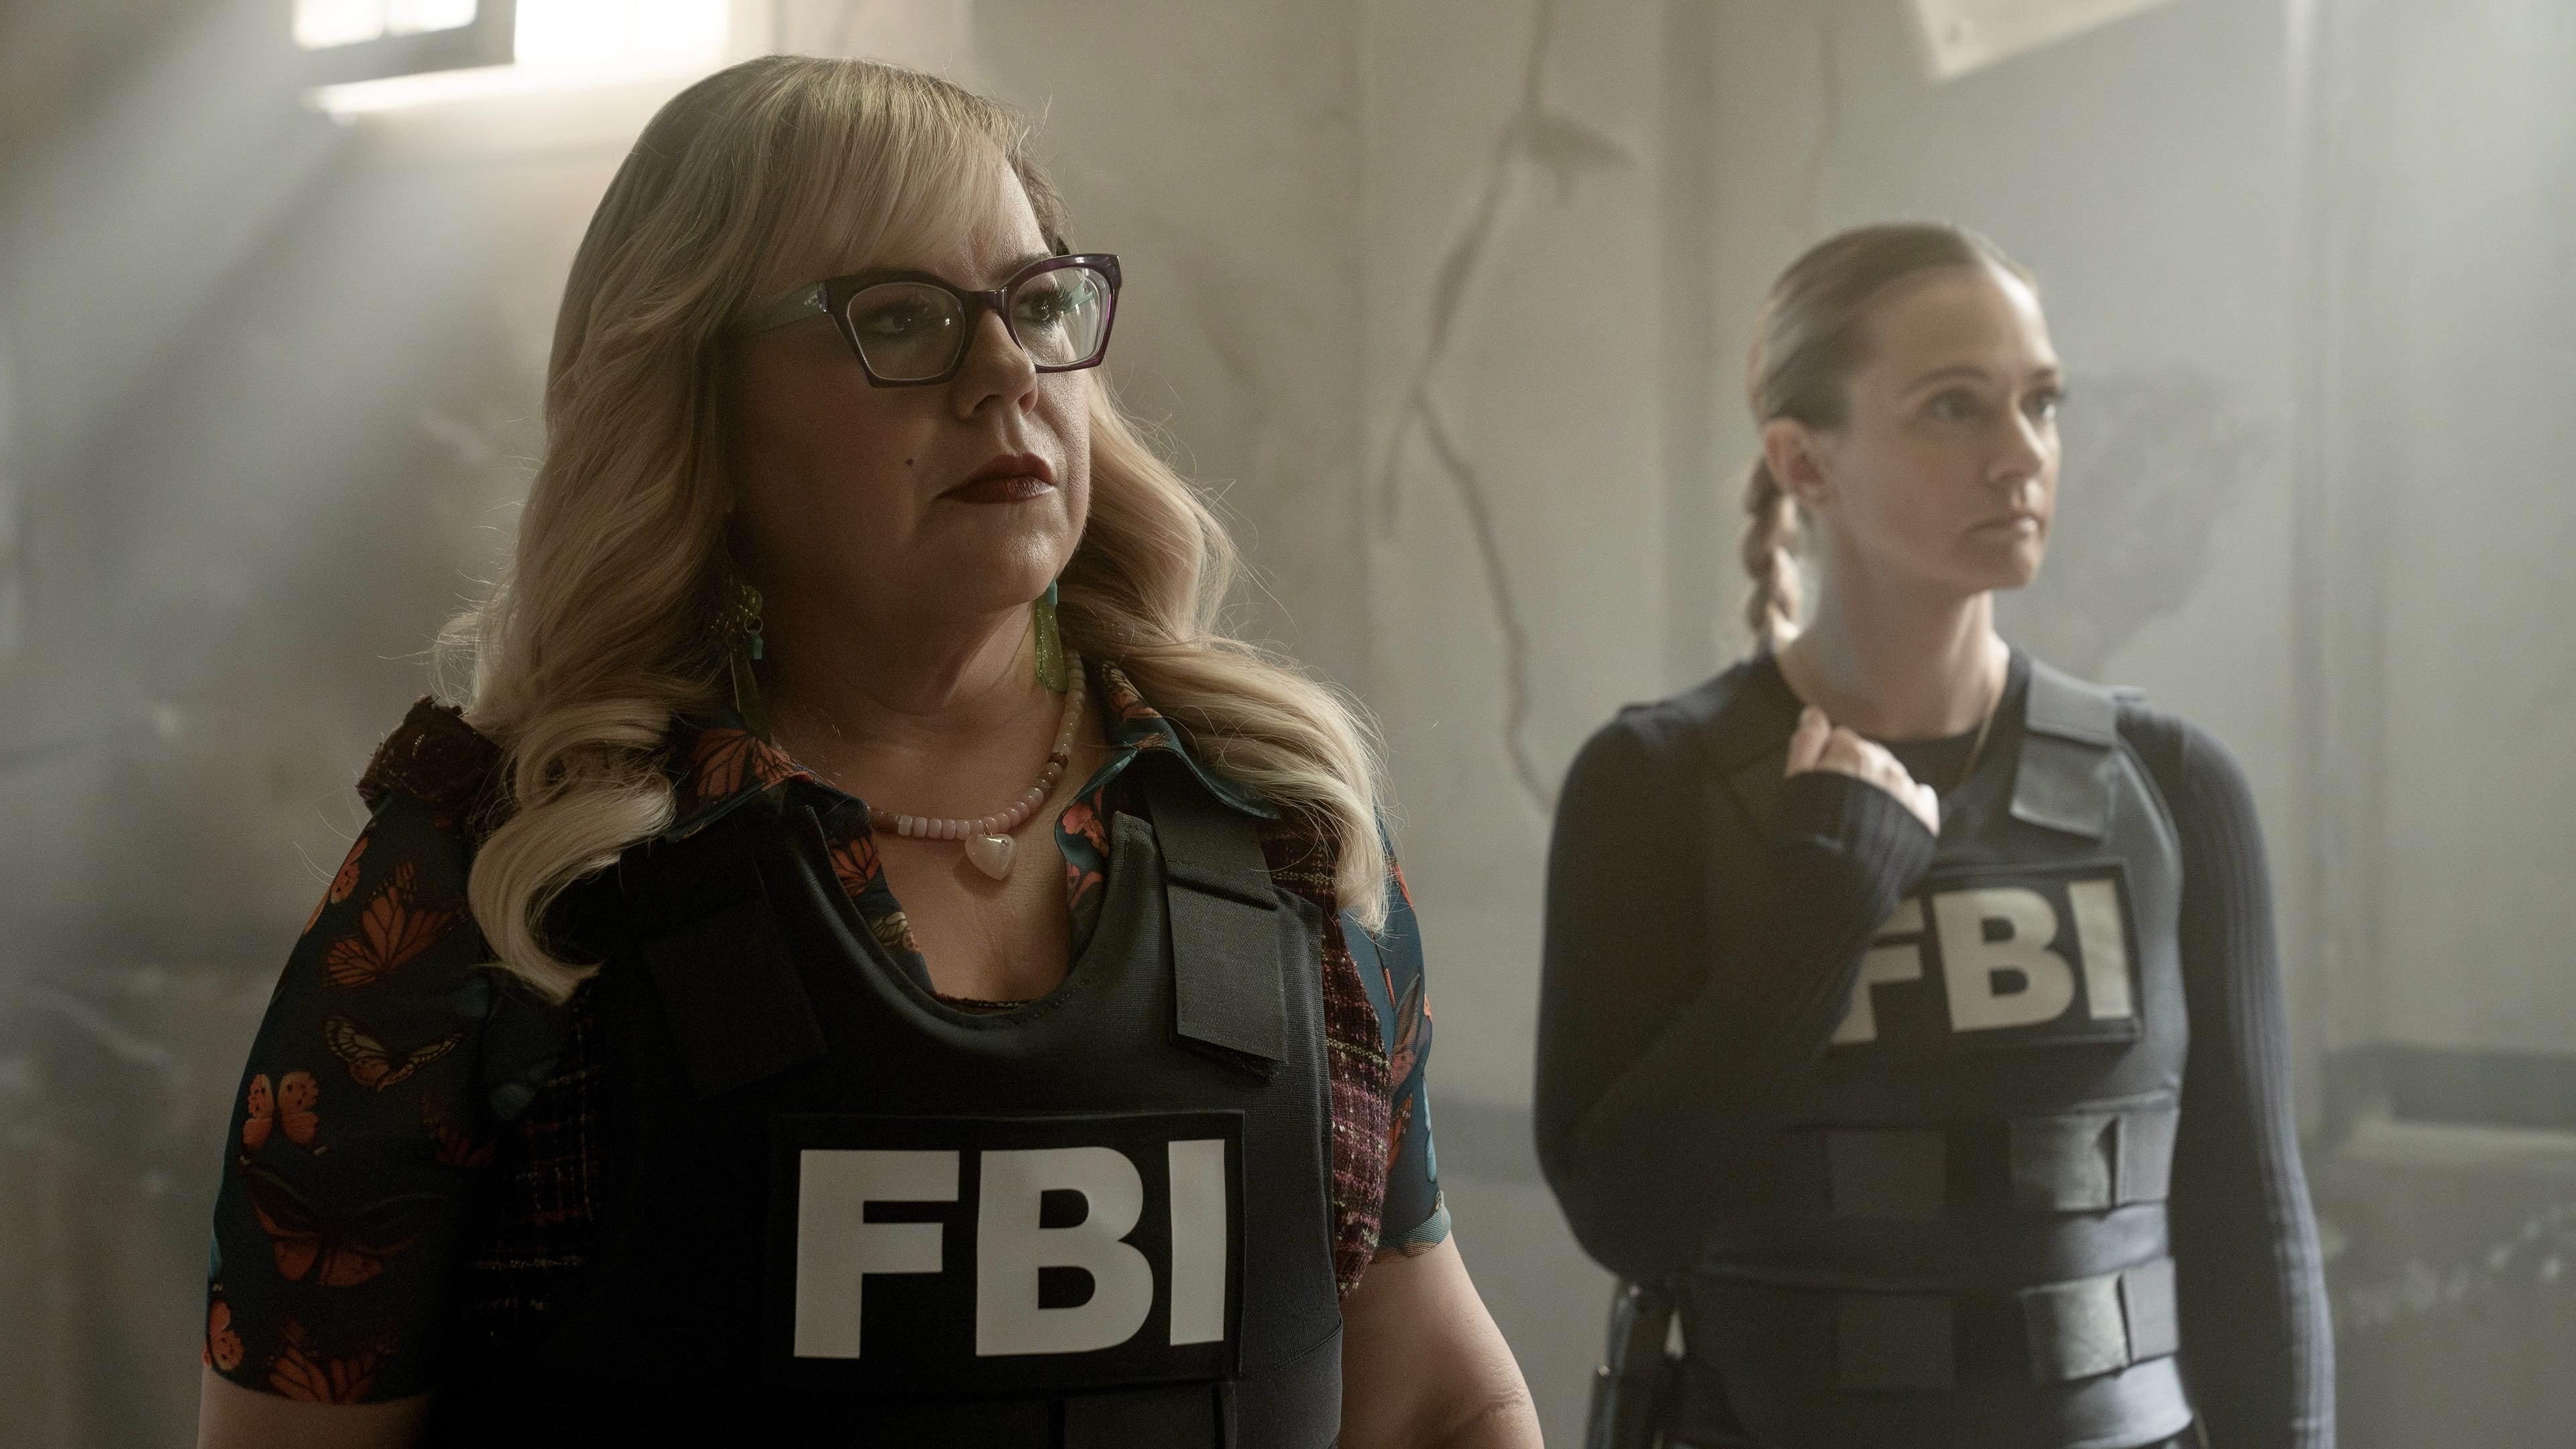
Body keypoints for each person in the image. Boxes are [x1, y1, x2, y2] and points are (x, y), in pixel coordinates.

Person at [197, 55, 1538, 1449]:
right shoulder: (496, 888)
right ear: (696, 400)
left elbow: (1443, 1404)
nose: (1005, 372)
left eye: (1037, 304)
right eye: (899, 317)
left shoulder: (1281, 836)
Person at [1536, 224, 2332, 1449]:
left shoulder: (2172, 783)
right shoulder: (1658, 783)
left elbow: (2253, 1236)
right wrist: (1832, 897)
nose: (2023, 454)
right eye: (1955, 407)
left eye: (2042, 403)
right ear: (1805, 461)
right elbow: (1629, 1217)